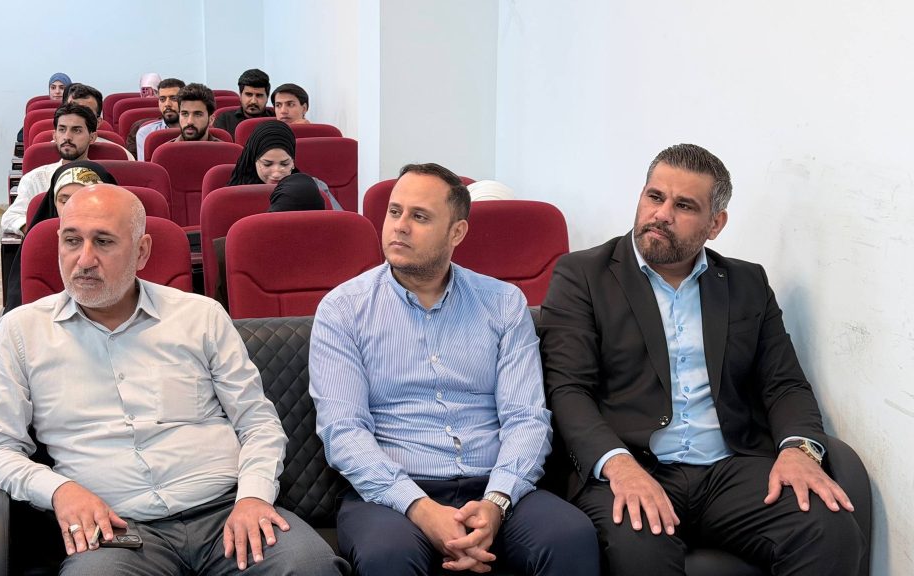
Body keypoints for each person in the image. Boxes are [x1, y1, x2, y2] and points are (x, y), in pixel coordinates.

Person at [0, 184, 349, 576]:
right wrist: (58, 489)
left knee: (310, 567)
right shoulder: (22, 332)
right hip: (117, 527)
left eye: (104, 242)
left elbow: (258, 423)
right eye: (72, 241)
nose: (84, 260)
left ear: (142, 251)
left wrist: (253, 497)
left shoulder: (199, 316)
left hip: (226, 510)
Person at [539, 143, 864, 575]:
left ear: (715, 224)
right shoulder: (583, 274)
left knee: (830, 530)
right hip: (632, 464)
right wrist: (618, 465)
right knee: (641, 553)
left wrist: (799, 450)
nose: (661, 214)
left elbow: (783, 383)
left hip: (730, 469)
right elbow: (567, 388)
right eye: (655, 197)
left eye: (684, 205)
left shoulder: (747, 282)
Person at [309, 163, 600, 576]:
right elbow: (344, 431)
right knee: (388, 555)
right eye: (394, 212)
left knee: (571, 536)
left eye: (420, 216)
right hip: (392, 491)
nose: (400, 226)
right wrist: (420, 507)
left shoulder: (503, 303)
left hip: (494, 483)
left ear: (457, 232)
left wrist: (496, 503)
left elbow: (526, 419)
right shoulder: (343, 310)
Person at [3, 161, 117, 314]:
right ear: (54, 203)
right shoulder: (40, 243)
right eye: (64, 200)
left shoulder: (122, 241)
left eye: (83, 199)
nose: (72, 208)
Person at [2, 103, 98, 236]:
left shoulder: (103, 178)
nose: (67, 137)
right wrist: (43, 233)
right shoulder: (35, 179)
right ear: (54, 136)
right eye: (62, 130)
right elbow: (10, 218)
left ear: (92, 137)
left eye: (76, 130)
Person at [226, 121, 341, 209]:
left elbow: (339, 224)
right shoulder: (235, 195)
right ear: (254, 161)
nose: (276, 173)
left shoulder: (316, 187)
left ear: (293, 162)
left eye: (285, 164)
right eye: (267, 164)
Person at [65, 83, 134, 159]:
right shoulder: (53, 150)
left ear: (98, 122)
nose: (76, 118)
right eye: (71, 111)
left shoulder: (122, 155)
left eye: (85, 113)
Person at [131, 78, 185, 159]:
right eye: (162, 99)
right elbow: (145, 165)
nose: (167, 104)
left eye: (173, 98)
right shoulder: (146, 133)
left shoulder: (197, 130)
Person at [213, 69, 274, 136]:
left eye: (259, 95)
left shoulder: (276, 119)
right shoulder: (225, 120)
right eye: (248, 94)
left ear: (267, 97)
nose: (253, 101)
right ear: (240, 95)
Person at [18, 73, 72, 143]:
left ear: (69, 91)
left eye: (62, 88)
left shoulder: (75, 110)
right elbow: (21, 137)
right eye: (53, 88)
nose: (57, 92)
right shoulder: (39, 110)